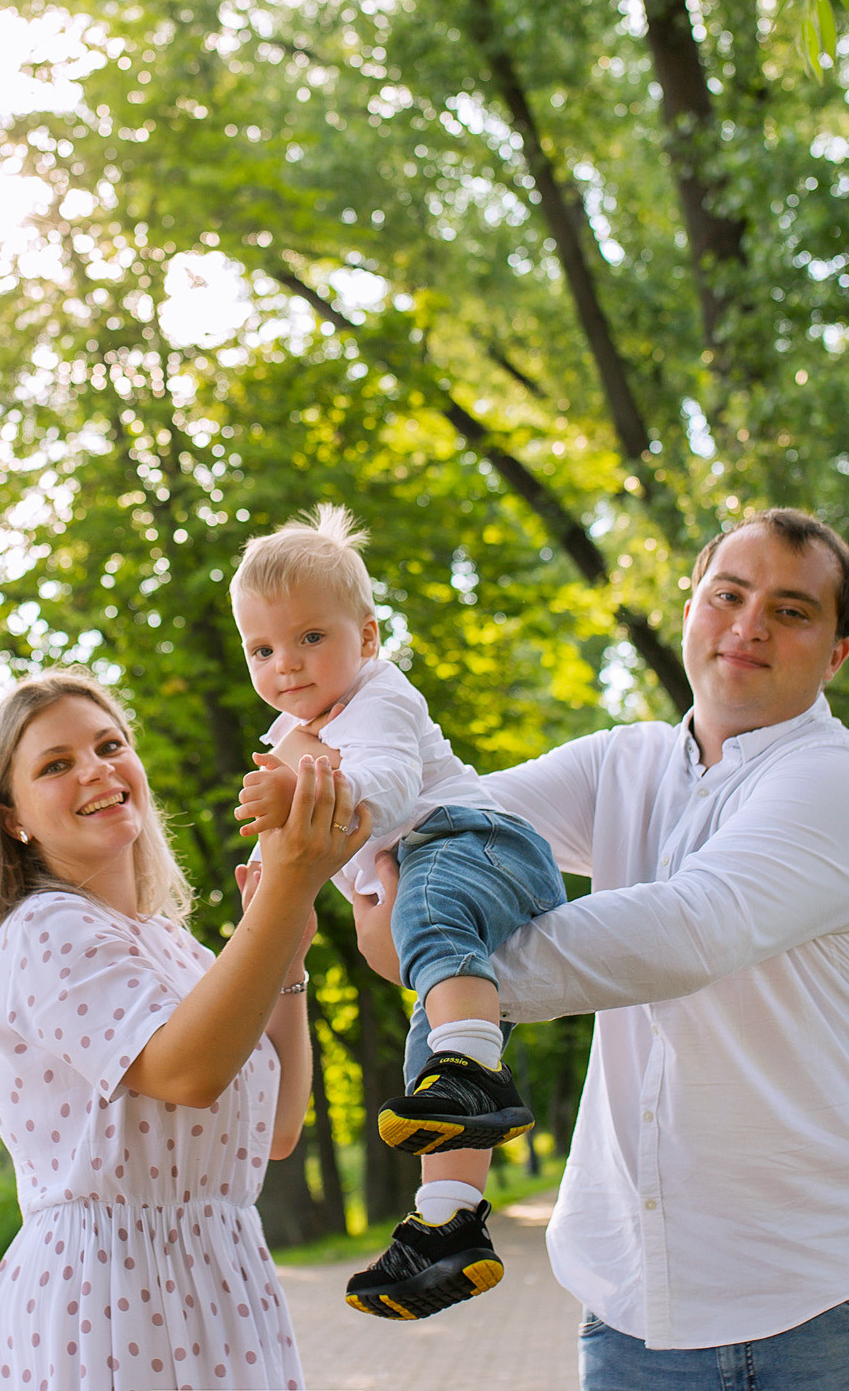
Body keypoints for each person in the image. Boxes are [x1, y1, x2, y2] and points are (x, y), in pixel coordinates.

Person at [387, 507, 849, 1388]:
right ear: (691, 607)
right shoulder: (620, 764)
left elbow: (688, 928)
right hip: (638, 1312)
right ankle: (447, 1211)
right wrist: (371, 857)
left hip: (843, 1305)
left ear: (837, 653)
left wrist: (449, 969)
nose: (749, 625)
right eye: (728, 595)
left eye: (790, 610)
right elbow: (448, 824)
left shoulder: (841, 777)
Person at [0, 669, 369, 1391]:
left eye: (109, 746)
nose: (96, 769)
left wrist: (288, 955)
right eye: (56, 764)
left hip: (220, 1286)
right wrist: (289, 885)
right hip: (108, 1302)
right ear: (12, 818)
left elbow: (278, 1129)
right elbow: (186, 1074)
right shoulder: (45, 929)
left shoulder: (174, 946)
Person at [228, 506, 566, 1322]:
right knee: (427, 1048)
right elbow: (305, 847)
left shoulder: (377, 698)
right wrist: (275, 886)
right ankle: (449, 1222)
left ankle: (475, 1072)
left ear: (368, 638)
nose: (286, 663)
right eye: (262, 649)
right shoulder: (291, 731)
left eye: (310, 637)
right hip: (421, 878)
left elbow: (387, 783)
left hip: (477, 843)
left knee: (432, 921)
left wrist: (304, 791)